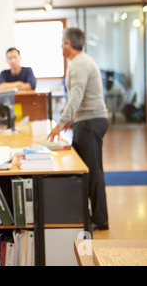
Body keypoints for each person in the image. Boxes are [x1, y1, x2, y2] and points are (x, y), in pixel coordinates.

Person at [47, 28, 109, 231]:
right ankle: (91, 216)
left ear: (68, 44)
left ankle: (100, 219)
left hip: (90, 122)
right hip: (88, 120)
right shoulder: (81, 62)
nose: (60, 46)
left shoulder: (79, 64)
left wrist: (59, 124)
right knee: (87, 170)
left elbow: (76, 97)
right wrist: (69, 120)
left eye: (61, 42)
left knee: (91, 172)